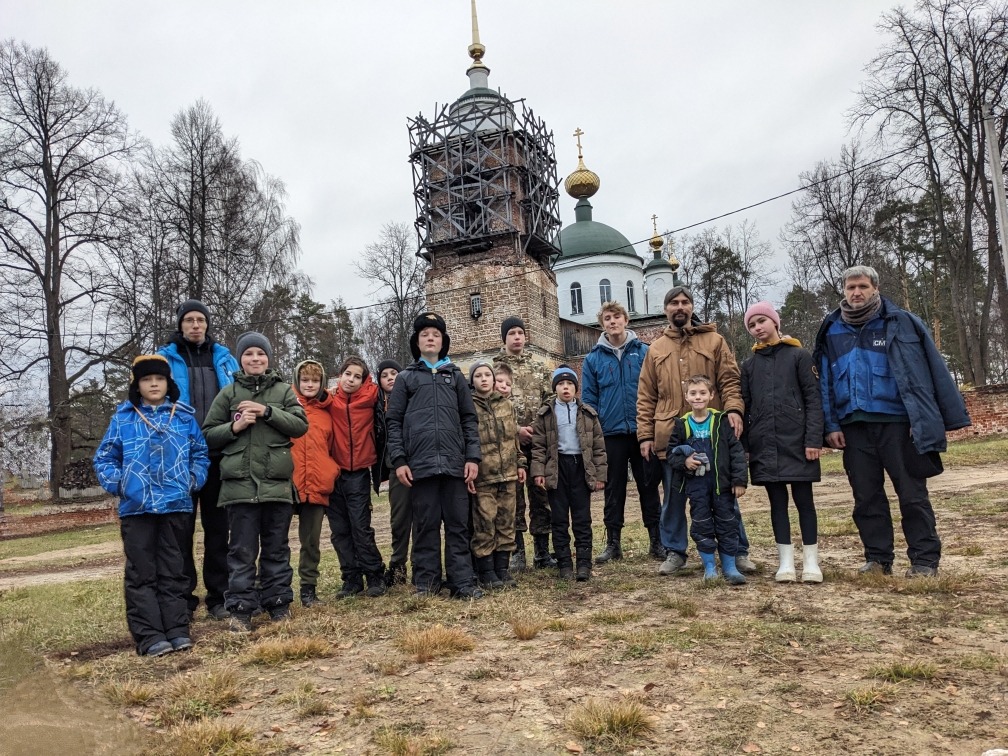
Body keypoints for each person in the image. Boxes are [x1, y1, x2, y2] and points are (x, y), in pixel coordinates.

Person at [814, 265, 970, 577]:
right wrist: (830, 426)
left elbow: (927, 371)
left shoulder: (901, 322)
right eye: (850, 288)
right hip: (853, 428)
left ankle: (924, 561)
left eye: (862, 287)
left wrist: (924, 418)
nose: (856, 293)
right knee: (866, 497)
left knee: (912, 495)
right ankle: (877, 559)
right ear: (843, 291)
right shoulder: (831, 329)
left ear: (875, 288)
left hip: (899, 424)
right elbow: (825, 383)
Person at [636, 285, 758, 576]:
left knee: (723, 496)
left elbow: (729, 380)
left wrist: (733, 411)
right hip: (672, 438)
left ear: (691, 307)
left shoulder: (714, 341)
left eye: (685, 302)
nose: (680, 307)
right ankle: (675, 552)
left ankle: (737, 551)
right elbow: (646, 395)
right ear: (666, 310)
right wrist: (645, 435)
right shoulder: (655, 349)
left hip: (712, 437)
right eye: (674, 303)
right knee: (674, 500)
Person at [94, 355, 209, 656]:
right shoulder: (123, 418)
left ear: (168, 383)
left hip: (175, 504)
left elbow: (200, 453)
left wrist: (193, 479)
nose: (154, 383)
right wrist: (121, 484)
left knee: (174, 570)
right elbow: (104, 458)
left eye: (159, 379)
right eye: (147, 379)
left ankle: (176, 629)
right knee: (142, 572)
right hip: (138, 508)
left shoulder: (183, 417)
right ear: (138, 385)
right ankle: (149, 635)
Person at [202, 332, 308, 632]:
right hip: (240, 488)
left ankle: (277, 604)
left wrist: (268, 412)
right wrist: (234, 427)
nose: (255, 359)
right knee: (241, 552)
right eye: (249, 354)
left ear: (268, 358)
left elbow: (300, 425)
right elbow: (208, 433)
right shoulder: (229, 393)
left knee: (276, 549)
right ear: (241, 360)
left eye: (260, 354)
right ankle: (240, 609)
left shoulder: (284, 392)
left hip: (276, 485)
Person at [386, 312, 483, 599]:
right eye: (425, 334)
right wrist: (400, 460)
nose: (430, 338)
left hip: (455, 466)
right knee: (425, 526)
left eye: (436, 334)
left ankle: (462, 582)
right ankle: (426, 584)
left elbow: (469, 419)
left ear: (443, 342)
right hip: (420, 467)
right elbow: (394, 422)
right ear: (417, 342)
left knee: (457, 525)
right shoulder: (405, 379)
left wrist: (472, 458)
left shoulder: (455, 378)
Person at [157, 299, 239, 621]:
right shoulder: (164, 359)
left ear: (207, 324)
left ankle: (219, 597)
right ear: (180, 324)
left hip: (219, 455)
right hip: (181, 458)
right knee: (181, 532)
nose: (195, 325)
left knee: (219, 530)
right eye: (189, 320)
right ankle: (184, 599)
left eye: (200, 320)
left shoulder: (224, 358)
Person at [741, 302, 823, 583]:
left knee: (804, 502)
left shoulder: (799, 356)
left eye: (762, 321)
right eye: (752, 325)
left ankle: (811, 562)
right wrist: (746, 447)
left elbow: (813, 400)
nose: (757, 328)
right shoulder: (749, 365)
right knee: (777, 503)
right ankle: (785, 562)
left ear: (775, 322)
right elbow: (746, 406)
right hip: (765, 443)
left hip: (798, 442)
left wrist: (813, 439)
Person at [581, 301, 663, 564]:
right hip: (611, 434)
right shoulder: (593, 359)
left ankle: (657, 540)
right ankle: (613, 543)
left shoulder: (645, 352)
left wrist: (650, 427)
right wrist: (596, 434)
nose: (613, 321)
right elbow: (589, 401)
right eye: (607, 318)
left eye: (617, 317)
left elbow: (655, 391)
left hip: (642, 433)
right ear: (602, 324)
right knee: (613, 490)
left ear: (626, 320)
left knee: (648, 486)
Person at [666, 375, 748, 585]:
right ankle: (710, 567)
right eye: (693, 393)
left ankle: (729, 566)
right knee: (701, 523)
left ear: (711, 395)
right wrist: (685, 462)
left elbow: (736, 452)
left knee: (727, 523)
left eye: (703, 393)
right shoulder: (682, 424)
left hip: (722, 486)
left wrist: (739, 480)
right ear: (686, 397)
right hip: (696, 486)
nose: (698, 397)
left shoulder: (721, 421)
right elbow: (671, 455)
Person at [531, 366, 607, 582]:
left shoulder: (588, 414)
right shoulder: (545, 414)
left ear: (576, 388)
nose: (566, 388)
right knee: (559, 518)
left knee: (582, 518)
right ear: (555, 388)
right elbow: (538, 447)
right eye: (561, 384)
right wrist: (539, 472)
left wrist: (600, 475)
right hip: (557, 469)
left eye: (570, 384)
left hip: (580, 468)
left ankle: (584, 563)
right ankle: (564, 564)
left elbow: (599, 447)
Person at [493, 316, 556, 572]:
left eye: (520, 332)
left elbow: (550, 400)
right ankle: (517, 552)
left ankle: (542, 551)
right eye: (512, 333)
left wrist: (536, 428)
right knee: (513, 499)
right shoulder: (494, 370)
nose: (517, 337)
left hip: (538, 444)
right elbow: (491, 405)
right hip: (508, 445)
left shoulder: (539, 368)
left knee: (541, 497)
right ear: (504, 338)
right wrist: (516, 430)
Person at [327, 356, 387, 598]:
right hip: (333, 473)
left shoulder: (371, 396)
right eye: (347, 374)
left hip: (359, 472)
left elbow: (387, 385)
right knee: (339, 530)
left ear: (364, 380)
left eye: (357, 376)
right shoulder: (329, 399)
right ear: (340, 375)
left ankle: (375, 575)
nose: (351, 380)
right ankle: (351, 579)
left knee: (361, 527)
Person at [468, 359, 526, 590]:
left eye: (487, 375)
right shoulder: (468, 406)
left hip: (509, 475)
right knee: (485, 523)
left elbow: (514, 438)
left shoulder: (507, 405)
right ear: (472, 381)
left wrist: (521, 463)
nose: (484, 379)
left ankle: (503, 570)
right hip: (484, 477)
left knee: (506, 523)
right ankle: (487, 572)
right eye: (479, 376)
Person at [290, 359, 340, 607]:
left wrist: (332, 471)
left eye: (315, 380)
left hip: (318, 482)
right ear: (297, 381)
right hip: (288, 483)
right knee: (274, 541)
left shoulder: (327, 411)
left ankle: (308, 590)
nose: (310, 385)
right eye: (305, 380)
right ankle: (267, 590)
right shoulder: (285, 405)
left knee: (311, 542)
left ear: (322, 383)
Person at [372, 360, 413, 587]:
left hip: (418, 463)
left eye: (394, 373)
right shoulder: (375, 405)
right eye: (384, 375)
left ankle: (423, 565)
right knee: (399, 520)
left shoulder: (413, 398)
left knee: (424, 520)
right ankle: (398, 567)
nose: (390, 378)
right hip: (395, 467)